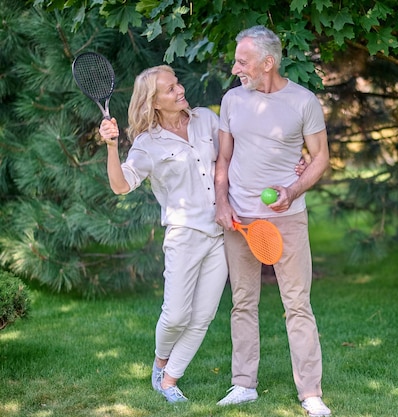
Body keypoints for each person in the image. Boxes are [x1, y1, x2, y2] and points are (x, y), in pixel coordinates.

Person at [214, 25, 332, 417]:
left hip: (288, 219)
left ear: (269, 62)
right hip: (241, 220)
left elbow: (320, 159)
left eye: (242, 61)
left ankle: (310, 393)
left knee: (297, 304)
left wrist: (293, 191)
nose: (235, 68)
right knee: (242, 302)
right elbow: (223, 160)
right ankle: (243, 384)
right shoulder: (232, 100)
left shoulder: (303, 102)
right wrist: (222, 203)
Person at [98, 65, 229, 403]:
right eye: (170, 90)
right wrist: (112, 147)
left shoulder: (206, 120)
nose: (180, 90)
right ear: (154, 102)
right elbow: (121, 185)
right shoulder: (147, 144)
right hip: (184, 234)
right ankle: (160, 362)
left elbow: (236, 158)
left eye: (177, 84)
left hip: (220, 232)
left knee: (203, 316)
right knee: (176, 315)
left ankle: (169, 380)